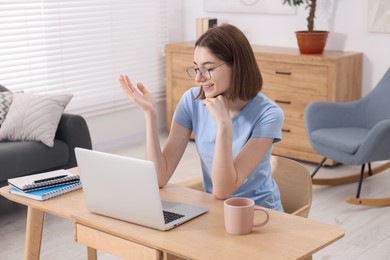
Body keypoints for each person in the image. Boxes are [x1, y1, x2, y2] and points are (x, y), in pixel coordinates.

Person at [119, 24, 284, 211]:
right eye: (196, 68)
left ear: (237, 66)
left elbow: (223, 191)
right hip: (215, 210)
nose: (198, 78)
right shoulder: (192, 101)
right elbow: (159, 178)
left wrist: (224, 126)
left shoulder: (268, 114)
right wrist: (150, 114)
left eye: (208, 68)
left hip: (260, 214)